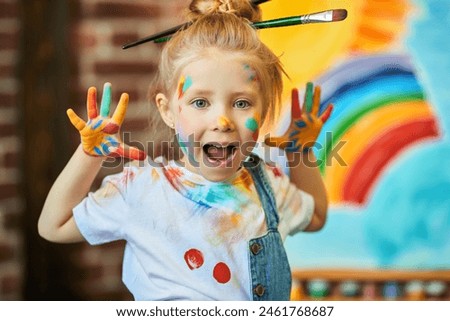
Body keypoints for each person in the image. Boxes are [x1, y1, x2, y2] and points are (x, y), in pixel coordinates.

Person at [38, 0, 332, 301]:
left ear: (266, 109)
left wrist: (300, 153)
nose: (222, 121)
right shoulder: (141, 189)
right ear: (168, 110)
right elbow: (53, 227)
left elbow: (317, 216)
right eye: (200, 102)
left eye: (241, 103)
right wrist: (89, 156)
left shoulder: (267, 185)